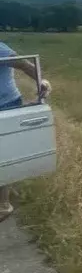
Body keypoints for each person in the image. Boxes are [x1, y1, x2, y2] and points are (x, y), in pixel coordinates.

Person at [0, 40, 53, 223]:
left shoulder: (0, 48)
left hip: (5, 106)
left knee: (3, 156)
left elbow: (24, 64)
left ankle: (3, 205)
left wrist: (42, 83)